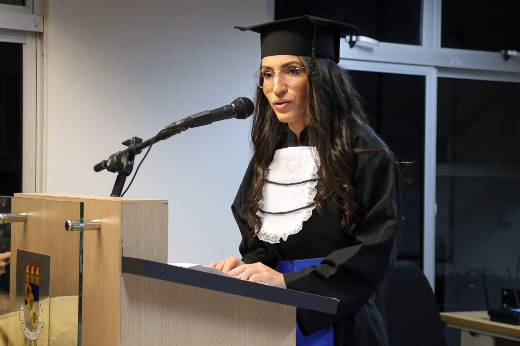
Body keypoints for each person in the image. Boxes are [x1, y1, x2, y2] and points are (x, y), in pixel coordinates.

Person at [209, 16, 401, 346]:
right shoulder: (268, 155)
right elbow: (262, 248)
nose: (275, 87)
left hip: (343, 325)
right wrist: (244, 269)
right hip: (275, 320)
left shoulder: (366, 151)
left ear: (322, 78)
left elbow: (376, 249)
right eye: (267, 74)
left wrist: (292, 283)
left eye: (292, 71)